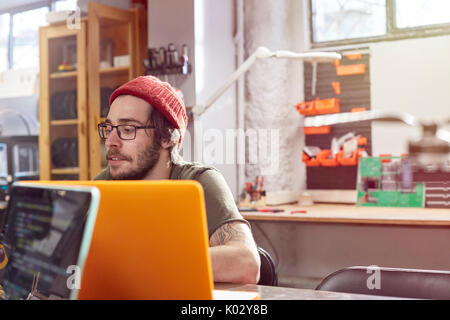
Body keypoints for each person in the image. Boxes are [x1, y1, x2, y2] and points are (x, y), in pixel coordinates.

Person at [94, 75, 260, 284]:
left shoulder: (198, 183)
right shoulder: (104, 184)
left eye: (127, 129)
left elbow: (246, 264)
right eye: (108, 129)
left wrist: (146, 262)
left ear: (167, 137)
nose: (111, 141)